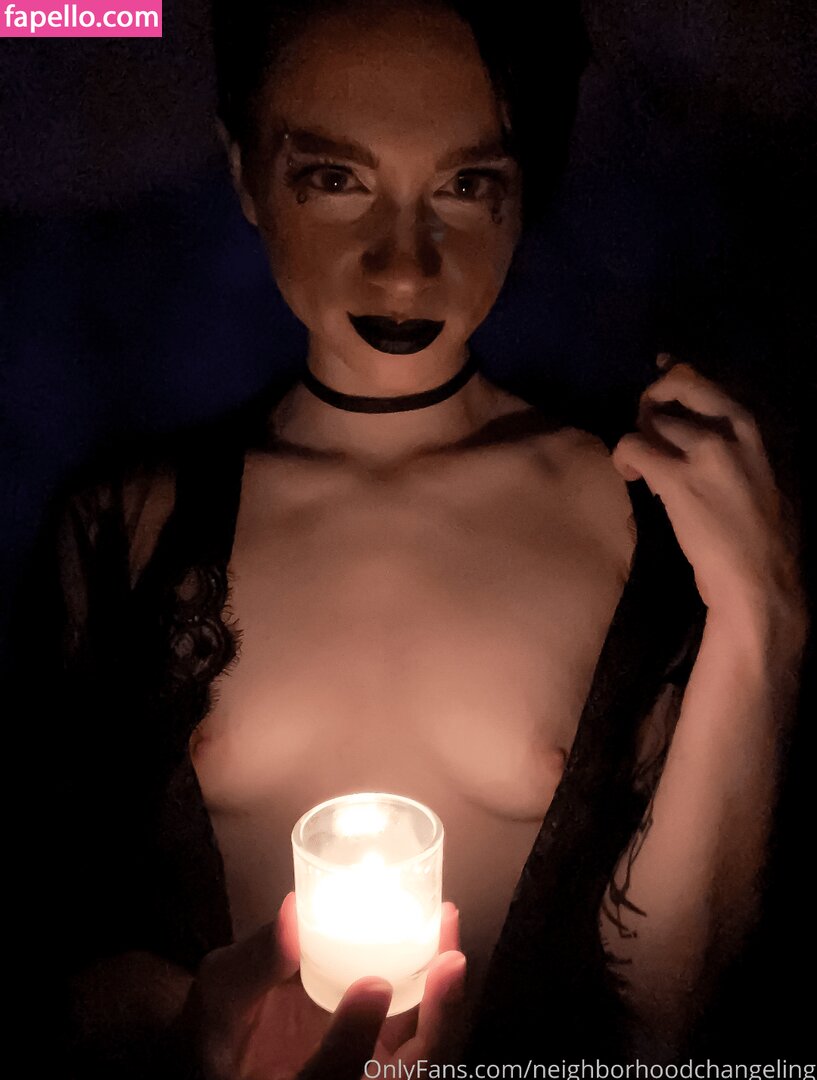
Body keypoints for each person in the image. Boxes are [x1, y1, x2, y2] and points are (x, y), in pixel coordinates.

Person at [10, 0, 808, 1076]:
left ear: (524, 189)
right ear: (244, 173)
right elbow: (47, 943)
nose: (402, 269)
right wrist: (184, 1029)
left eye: (464, 186)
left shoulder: (642, 512)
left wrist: (763, 620)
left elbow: (668, 1023)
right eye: (334, 179)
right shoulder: (123, 525)